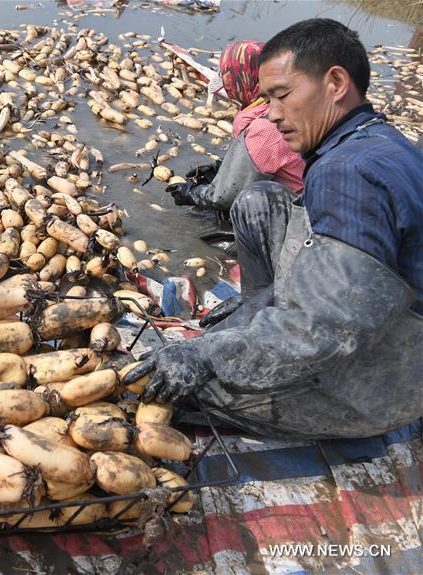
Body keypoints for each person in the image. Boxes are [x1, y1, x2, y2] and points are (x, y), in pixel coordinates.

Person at [125, 19, 422, 439]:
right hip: (382, 321)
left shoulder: (347, 174)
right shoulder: (376, 140)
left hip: (382, 384)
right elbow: (342, 277)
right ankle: (259, 313)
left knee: (168, 388)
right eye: (267, 98)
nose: (273, 115)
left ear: (335, 82)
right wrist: (264, 299)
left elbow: (328, 329)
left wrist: (208, 357)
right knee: (260, 199)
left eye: (282, 96)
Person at [164, 41, 305, 217]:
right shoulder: (291, 104)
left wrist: (192, 193)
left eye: (228, 77)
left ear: (243, 78)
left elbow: (224, 198)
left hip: (295, 215)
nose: (227, 85)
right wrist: (221, 167)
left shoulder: (266, 127)